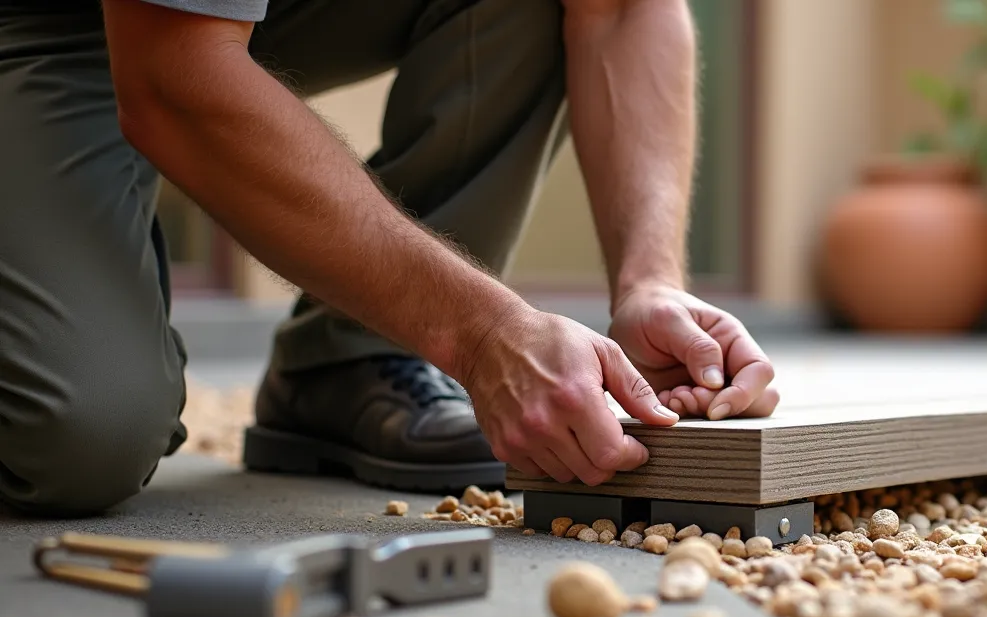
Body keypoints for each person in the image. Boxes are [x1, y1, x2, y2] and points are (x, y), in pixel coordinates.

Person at [0, 0, 780, 516]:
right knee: (77, 434)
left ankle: (348, 363)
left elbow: (621, 11)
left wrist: (651, 282)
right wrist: (481, 334)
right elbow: (172, 74)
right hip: (44, 22)